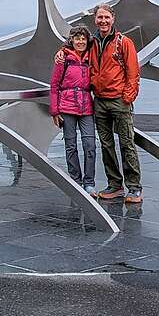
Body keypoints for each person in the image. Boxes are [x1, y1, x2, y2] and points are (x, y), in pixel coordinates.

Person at [57, 4, 141, 202]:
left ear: (113, 19)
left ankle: (134, 187)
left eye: (106, 17)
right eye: (99, 17)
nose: (103, 21)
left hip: (119, 101)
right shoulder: (93, 42)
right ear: (95, 20)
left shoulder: (124, 42)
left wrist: (128, 97)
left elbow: (133, 72)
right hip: (100, 102)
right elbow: (75, 47)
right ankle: (115, 185)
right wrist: (61, 50)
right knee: (106, 145)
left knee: (127, 143)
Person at [48, 25, 96, 193]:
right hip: (67, 107)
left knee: (90, 144)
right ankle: (75, 180)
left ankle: (89, 182)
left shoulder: (92, 57)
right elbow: (54, 86)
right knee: (70, 145)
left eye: (83, 38)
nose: (80, 41)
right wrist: (54, 111)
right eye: (77, 38)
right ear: (72, 40)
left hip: (86, 107)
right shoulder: (64, 59)